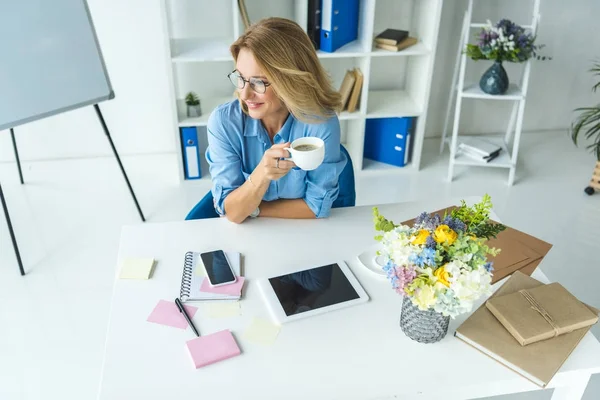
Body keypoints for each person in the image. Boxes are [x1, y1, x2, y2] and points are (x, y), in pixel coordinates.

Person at [205, 17, 347, 224]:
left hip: (303, 235)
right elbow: (233, 213)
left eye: (259, 83)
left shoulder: (321, 123)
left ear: (292, 80)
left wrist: (252, 208)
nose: (244, 95)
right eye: (241, 78)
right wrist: (261, 174)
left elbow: (317, 207)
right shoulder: (224, 123)